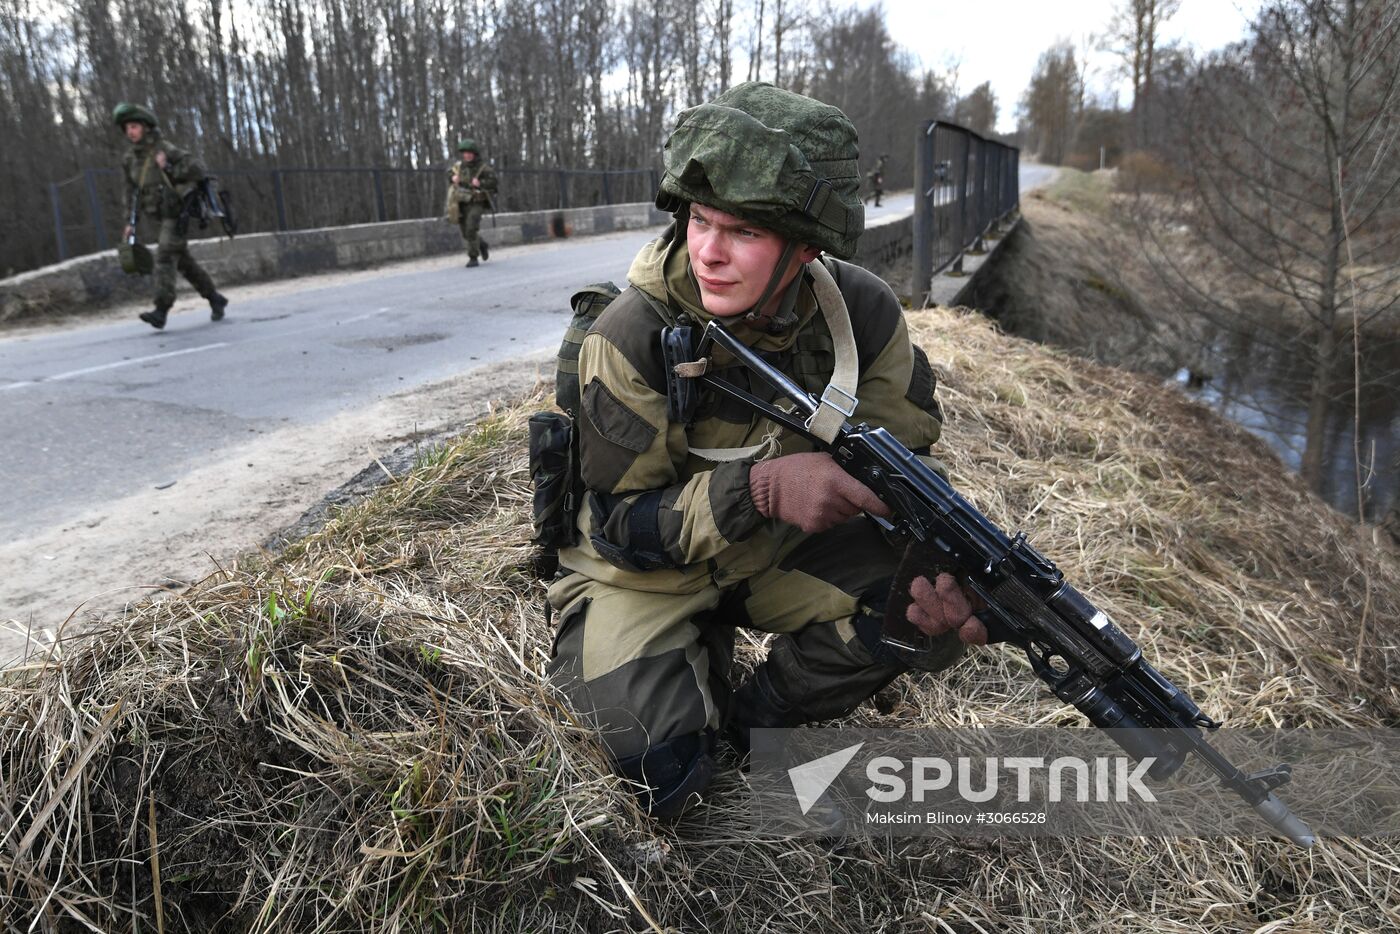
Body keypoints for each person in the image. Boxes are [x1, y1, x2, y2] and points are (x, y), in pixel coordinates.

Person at [545, 83, 986, 819]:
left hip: (773, 555)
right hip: (643, 573)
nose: (710, 252)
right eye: (699, 220)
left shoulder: (864, 316)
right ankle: (689, 672)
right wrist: (762, 490)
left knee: (916, 601)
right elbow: (622, 527)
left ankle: (762, 721)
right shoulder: (631, 332)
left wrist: (947, 562)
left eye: (743, 232)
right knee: (659, 780)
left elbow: (906, 465)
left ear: (807, 245)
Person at [113, 102, 228, 330]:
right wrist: (130, 221)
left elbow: (197, 168)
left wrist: (168, 168)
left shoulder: (164, 148)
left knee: (165, 254)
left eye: (134, 126)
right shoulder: (129, 159)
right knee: (184, 263)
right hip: (158, 216)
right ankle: (215, 298)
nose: (130, 132)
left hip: (177, 214)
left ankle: (161, 309)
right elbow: (131, 191)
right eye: (127, 128)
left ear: (146, 127)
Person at [448, 139, 498, 267]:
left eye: (470, 153)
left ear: (475, 153)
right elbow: (449, 173)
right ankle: (481, 244)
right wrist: (452, 178)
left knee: (471, 228)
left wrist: (480, 183)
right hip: (461, 202)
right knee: (466, 232)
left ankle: (473, 257)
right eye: (465, 153)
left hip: (477, 202)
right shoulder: (459, 167)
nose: (467, 155)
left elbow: (494, 182)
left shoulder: (483, 168)